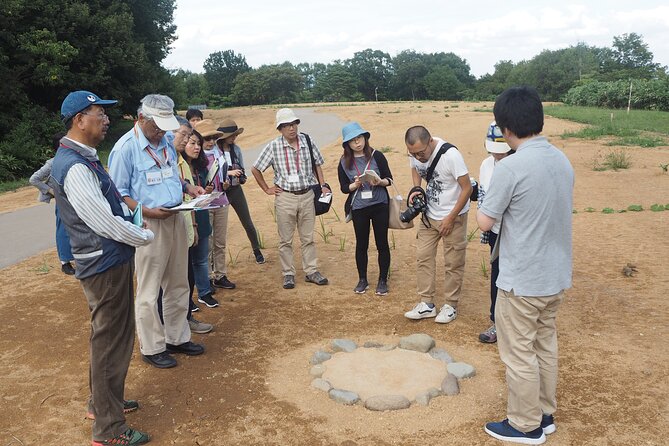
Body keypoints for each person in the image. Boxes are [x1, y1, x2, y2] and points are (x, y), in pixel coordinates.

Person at [51, 90, 154, 445]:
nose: (107, 119)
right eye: (99, 113)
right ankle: (109, 430)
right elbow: (102, 222)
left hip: (105, 261)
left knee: (109, 338)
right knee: (111, 341)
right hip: (104, 263)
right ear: (79, 119)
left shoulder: (78, 158)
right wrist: (142, 235)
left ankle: (103, 401)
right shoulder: (77, 166)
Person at [477, 86, 573, 445]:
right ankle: (545, 414)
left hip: (522, 280)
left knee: (519, 354)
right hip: (555, 276)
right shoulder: (561, 160)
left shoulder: (511, 167)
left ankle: (524, 425)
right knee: (544, 344)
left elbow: (485, 223)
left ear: (505, 128)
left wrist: (481, 202)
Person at [108, 94, 205, 369]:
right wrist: (148, 212)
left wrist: (189, 189)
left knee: (178, 283)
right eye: (157, 125)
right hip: (149, 225)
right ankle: (152, 347)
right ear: (141, 119)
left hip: (176, 217)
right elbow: (119, 195)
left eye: (166, 125)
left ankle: (177, 336)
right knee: (149, 290)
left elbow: (173, 176)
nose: (162, 131)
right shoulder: (125, 149)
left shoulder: (165, 143)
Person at [251, 108, 330, 289]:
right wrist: (266, 189)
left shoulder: (308, 141)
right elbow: (255, 169)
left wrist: (323, 184)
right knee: (285, 239)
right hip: (285, 197)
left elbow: (318, 164)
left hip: (307, 194)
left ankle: (311, 271)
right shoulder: (274, 146)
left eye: (293, 124)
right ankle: (288, 273)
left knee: (307, 237)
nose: (291, 129)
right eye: (286, 126)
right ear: (280, 129)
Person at [403, 125, 472, 323]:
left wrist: (451, 217)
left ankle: (450, 305)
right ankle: (427, 304)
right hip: (429, 215)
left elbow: (466, 189)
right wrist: (417, 188)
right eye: (413, 153)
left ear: (430, 141)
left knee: (453, 262)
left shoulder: (451, 156)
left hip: (453, 216)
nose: (418, 157)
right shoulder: (415, 153)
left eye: (421, 153)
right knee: (423, 257)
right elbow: (415, 169)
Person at [337, 122, 393, 295]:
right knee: (361, 244)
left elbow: (389, 179)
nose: (357, 143)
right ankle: (362, 280)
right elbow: (343, 188)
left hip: (379, 205)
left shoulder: (378, 156)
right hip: (359, 207)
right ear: (347, 144)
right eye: (353, 141)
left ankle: (383, 280)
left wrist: (380, 181)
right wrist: (354, 185)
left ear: (365, 138)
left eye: (359, 138)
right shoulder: (344, 162)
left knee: (382, 243)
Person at [477, 122, 515, 344]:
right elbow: (484, 195)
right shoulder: (486, 165)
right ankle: (496, 323)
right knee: (497, 277)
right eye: (493, 150)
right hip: (496, 231)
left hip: (518, 234)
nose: (497, 155)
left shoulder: (518, 165)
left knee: (518, 282)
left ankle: (517, 327)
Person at [216, 118, 265, 264]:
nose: (234, 138)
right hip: (220, 191)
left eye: (235, 135)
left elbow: (242, 168)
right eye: (232, 135)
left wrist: (241, 175)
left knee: (247, 222)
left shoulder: (236, 150)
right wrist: (228, 173)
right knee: (218, 228)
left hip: (235, 189)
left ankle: (256, 250)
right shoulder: (215, 150)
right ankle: (214, 259)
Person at [196, 119, 236, 293]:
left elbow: (222, 177)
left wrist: (225, 184)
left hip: (221, 201)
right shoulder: (197, 158)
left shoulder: (219, 153)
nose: (211, 142)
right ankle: (207, 278)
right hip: (205, 204)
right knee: (207, 243)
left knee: (220, 242)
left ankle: (220, 274)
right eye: (207, 139)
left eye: (213, 138)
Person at [29, 132, 76, 275]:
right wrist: (50, 190)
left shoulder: (74, 159)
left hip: (76, 200)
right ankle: (65, 262)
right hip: (63, 201)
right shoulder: (52, 163)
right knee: (63, 229)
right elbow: (33, 179)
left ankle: (79, 257)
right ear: (59, 146)